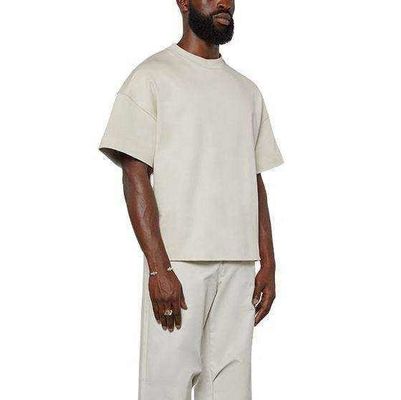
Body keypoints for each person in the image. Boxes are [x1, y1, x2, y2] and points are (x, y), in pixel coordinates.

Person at [99, 1, 283, 399]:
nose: (225, 3)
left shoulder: (247, 91)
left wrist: (267, 262)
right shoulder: (152, 77)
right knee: (167, 389)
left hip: (239, 265)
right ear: (183, 2)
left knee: (231, 391)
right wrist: (158, 268)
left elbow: (254, 179)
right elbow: (134, 174)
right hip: (179, 265)